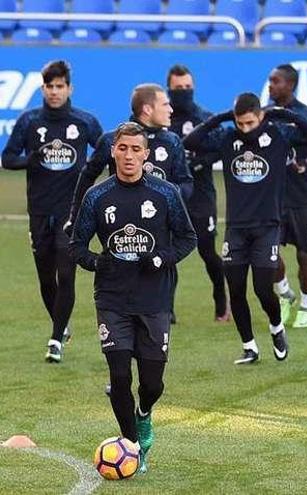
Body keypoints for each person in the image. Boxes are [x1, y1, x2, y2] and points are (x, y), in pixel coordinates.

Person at [69, 122, 197, 473]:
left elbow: (188, 238)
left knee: (152, 383)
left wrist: (162, 258)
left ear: (146, 154)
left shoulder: (165, 193)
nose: (128, 156)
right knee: (120, 376)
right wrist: (98, 262)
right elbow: (77, 245)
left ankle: (144, 414)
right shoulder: (97, 197)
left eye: (135, 149)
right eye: (122, 148)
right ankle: (133, 445)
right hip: (111, 301)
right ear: (113, 150)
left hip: (155, 299)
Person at [183, 93, 307, 364]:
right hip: (235, 227)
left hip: (268, 226)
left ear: (260, 116)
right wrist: (223, 118)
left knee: (262, 289)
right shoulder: (228, 138)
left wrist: (281, 113)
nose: (244, 129)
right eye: (240, 123)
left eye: (250, 122)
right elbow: (190, 142)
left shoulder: (279, 135)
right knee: (235, 289)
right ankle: (249, 346)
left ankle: (276, 328)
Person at [1, 59, 102, 362]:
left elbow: (106, 150)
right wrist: (30, 160)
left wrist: (92, 178)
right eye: (49, 87)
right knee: (47, 280)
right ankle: (62, 324)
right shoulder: (30, 122)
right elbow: (8, 158)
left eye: (60, 86)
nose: (55, 92)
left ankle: (55, 341)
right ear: (42, 88)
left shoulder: (84, 122)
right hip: (40, 210)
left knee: (66, 275)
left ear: (69, 88)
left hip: (72, 210)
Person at [70, 83, 193, 324]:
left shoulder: (172, 141)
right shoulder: (111, 140)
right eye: (165, 104)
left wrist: (168, 197)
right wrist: (75, 215)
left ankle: (161, 311)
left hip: (158, 223)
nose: (171, 109)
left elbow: (187, 182)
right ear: (147, 109)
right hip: (119, 220)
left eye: (136, 149)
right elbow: (87, 175)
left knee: (161, 264)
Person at [267, 64, 307, 328]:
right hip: (271, 196)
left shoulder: (306, 115)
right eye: (270, 80)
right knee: (268, 253)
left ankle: (306, 305)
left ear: (290, 85)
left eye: (276, 81)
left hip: (302, 197)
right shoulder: (266, 115)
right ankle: (284, 294)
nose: (270, 85)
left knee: (304, 254)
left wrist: (306, 161)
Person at [166, 64, 229, 322]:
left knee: (206, 250)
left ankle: (222, 304)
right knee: (166, 252)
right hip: (169, 196)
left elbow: (223, 146)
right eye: (178, 88)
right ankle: (166, 310)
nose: (183, 92)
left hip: (201, 196)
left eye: (187, 88)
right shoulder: (162, 118)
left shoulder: (205, 118)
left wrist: (200, 162)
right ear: (169, 89)